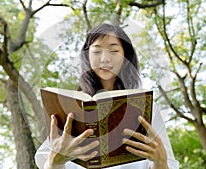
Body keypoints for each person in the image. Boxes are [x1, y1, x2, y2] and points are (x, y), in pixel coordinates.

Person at [35, 23, 179, 169]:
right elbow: (47, 163)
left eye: (114, 50)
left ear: (126, 56)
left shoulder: (146, 108)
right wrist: (54, 161)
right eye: (97, 51)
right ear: (87, 56)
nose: (105, 59)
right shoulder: (70, 107)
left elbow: (167, 164)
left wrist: (159, 161)